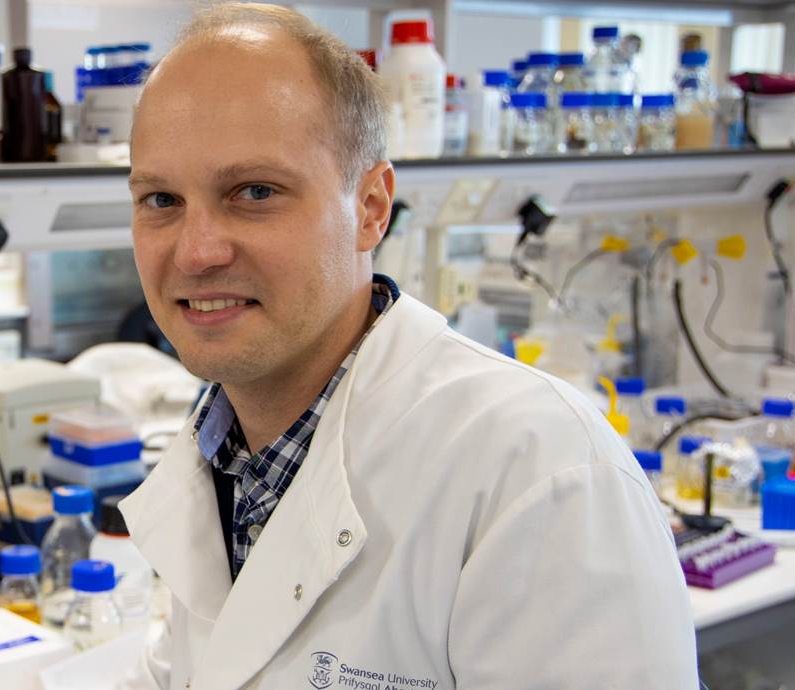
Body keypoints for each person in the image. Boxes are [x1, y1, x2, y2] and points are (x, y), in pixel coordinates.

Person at [116, 4, 698, 688]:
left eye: (254, 191)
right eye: (160, 200)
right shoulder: (224, 460)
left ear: (369, 208)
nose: (197, 251)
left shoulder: (539, 471)